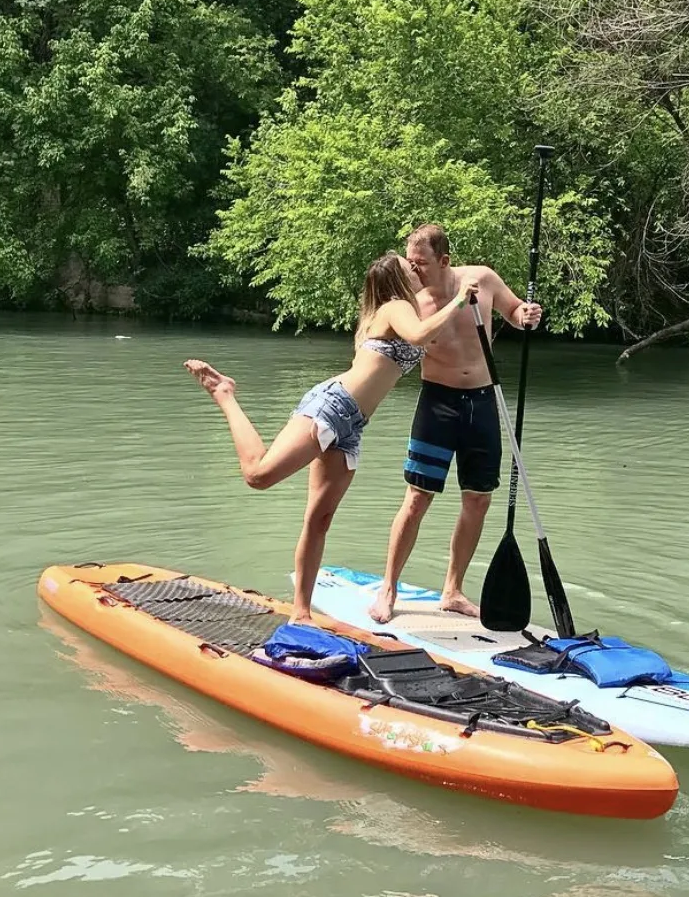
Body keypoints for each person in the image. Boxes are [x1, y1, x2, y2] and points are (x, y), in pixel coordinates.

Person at [184, 252, 481, 624]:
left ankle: (301, 613)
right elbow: (421, 335)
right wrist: (458, 301)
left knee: (319, 518)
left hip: (353, 425)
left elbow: (434, 334)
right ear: (396, 280)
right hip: (332, 407)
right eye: (409, 267)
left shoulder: (406, 310)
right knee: (257, 475)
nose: (415, 268)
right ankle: (225, 393)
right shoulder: (393, 308)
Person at [368, 223, 542, 624]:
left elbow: (514, 312)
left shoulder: (482, 278)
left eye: (421, 263)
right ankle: (388, 588)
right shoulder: (410, 301)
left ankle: (452, 590)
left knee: (479, 498)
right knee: (417, 498)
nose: (414, 270)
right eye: (410, 262)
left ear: (444, 260)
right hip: (437, 404)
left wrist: (525, 314)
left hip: (483, 402)